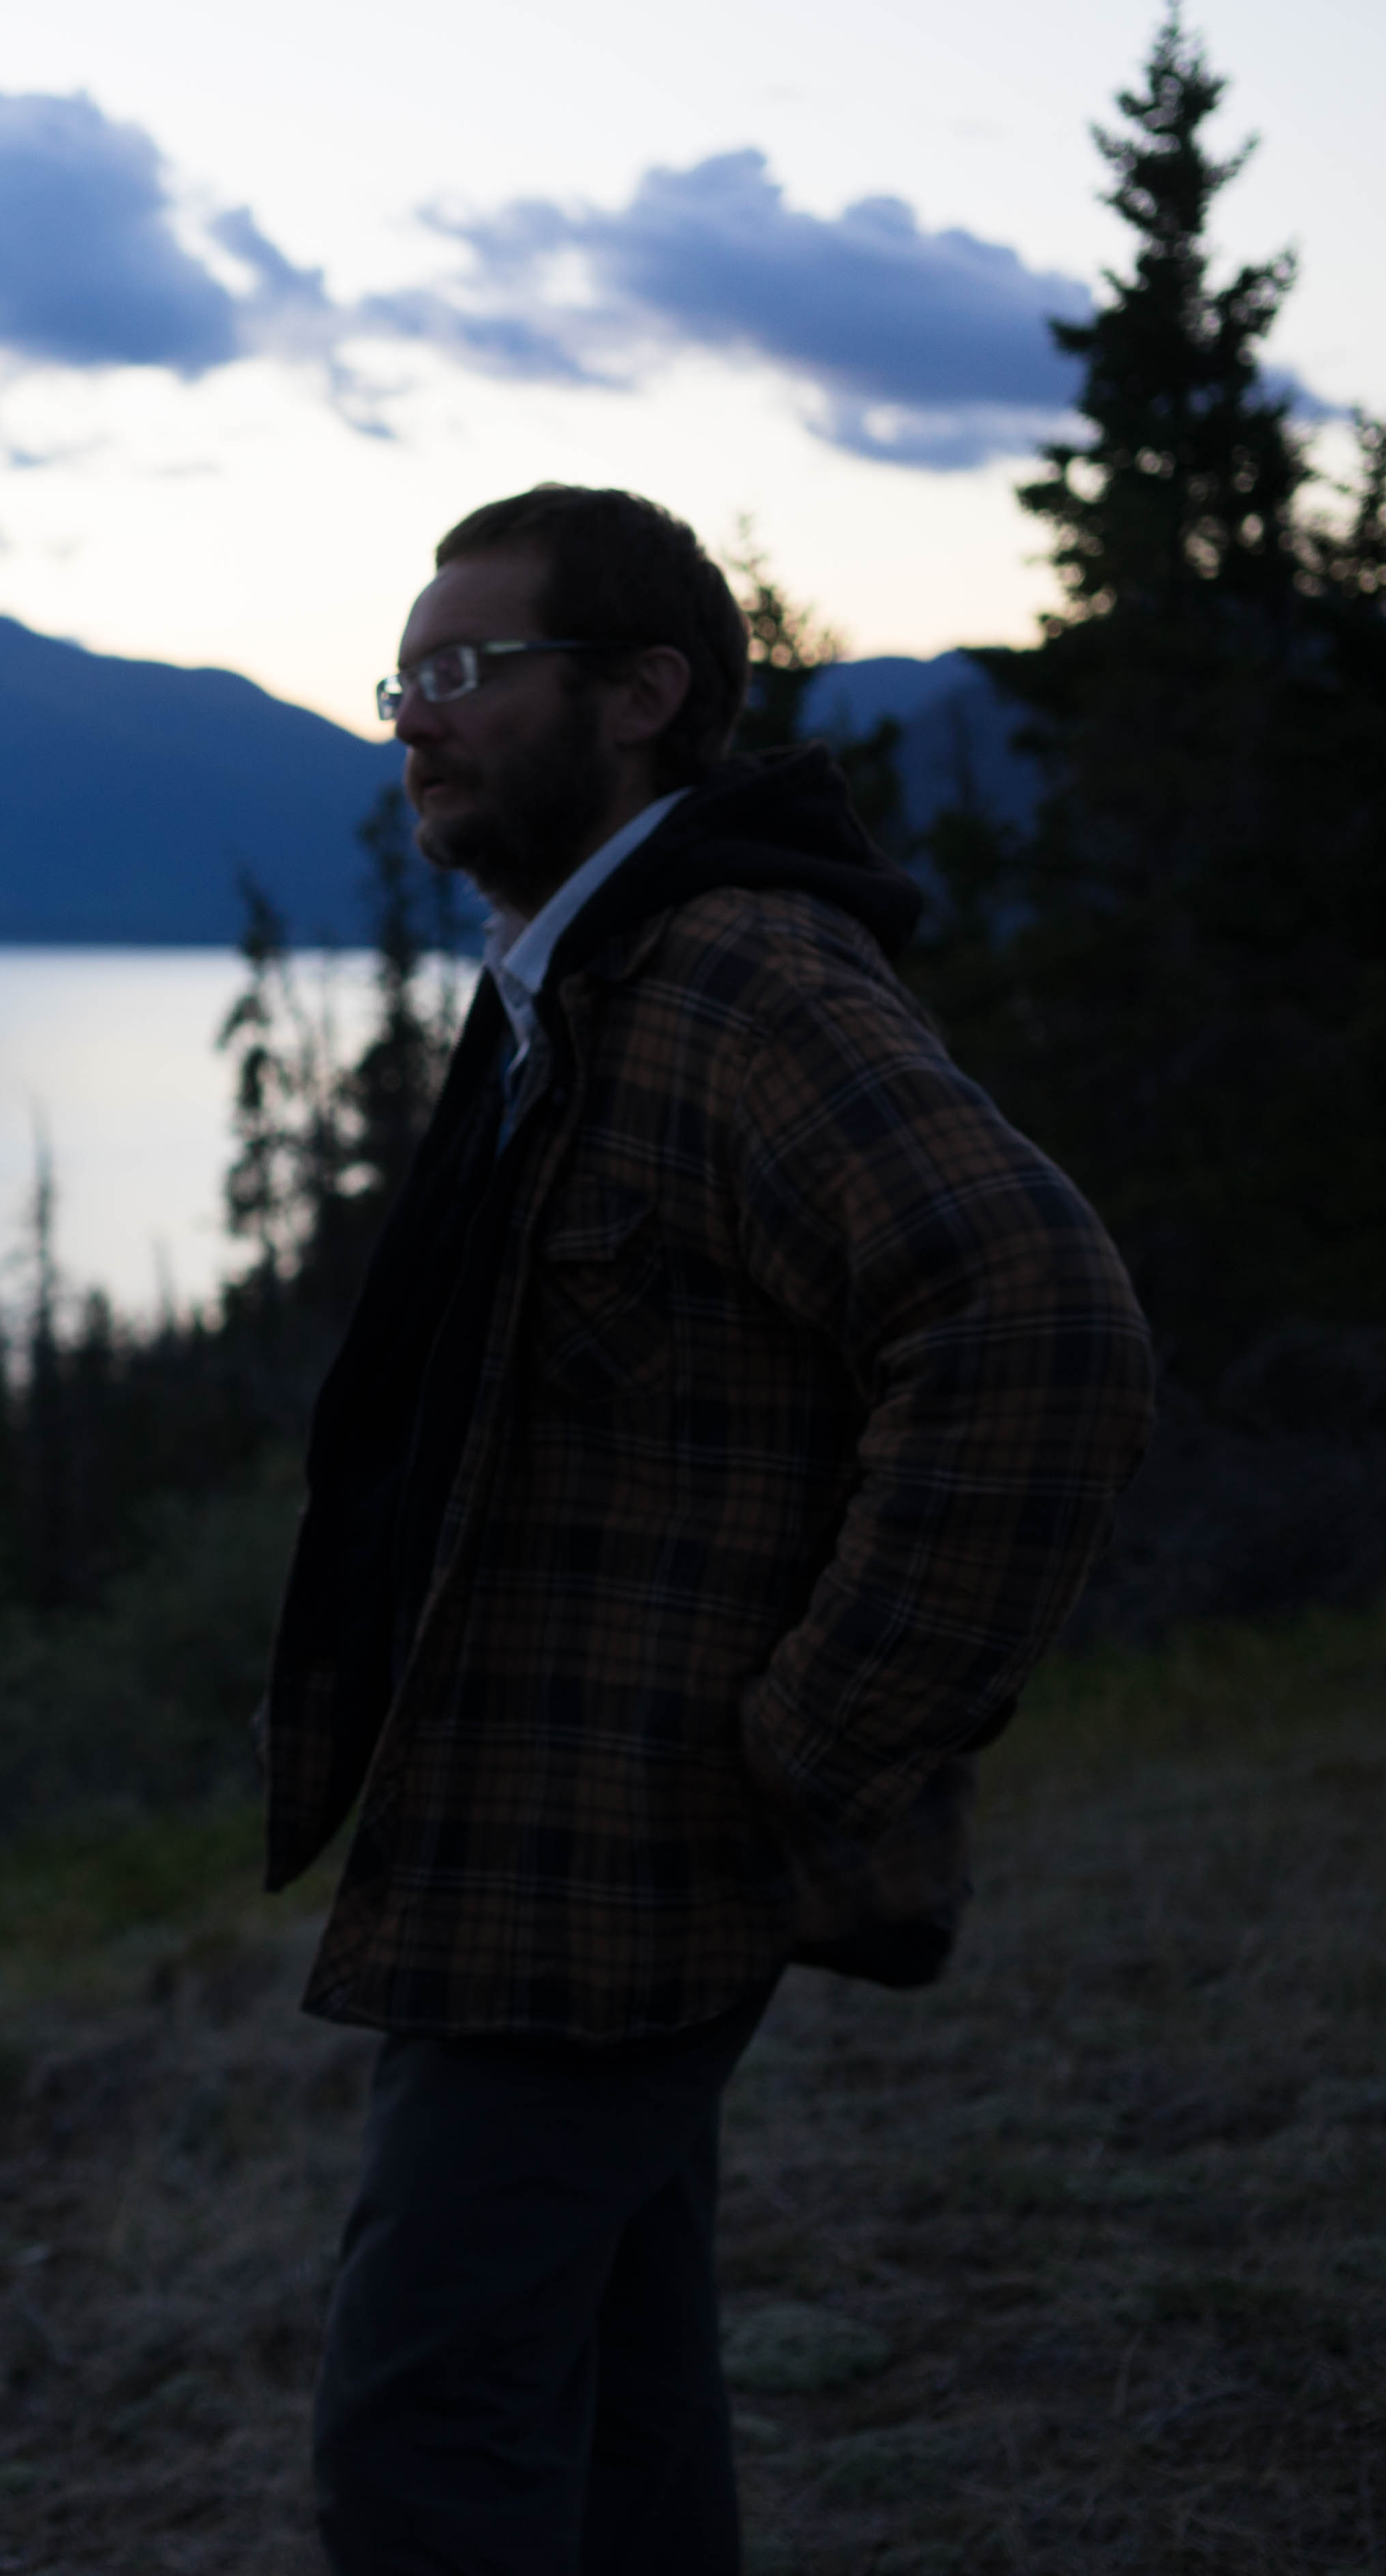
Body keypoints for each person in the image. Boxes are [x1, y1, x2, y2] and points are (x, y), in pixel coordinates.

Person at [266, 487, 1155, 2572]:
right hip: (538, 1841)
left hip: (619, 1853)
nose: (416, 721)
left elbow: (1036, 1319)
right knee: (619, 2406)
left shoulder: (736, 978)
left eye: (466, 672)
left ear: (646, 691)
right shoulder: (592, 980)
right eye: (402, 681)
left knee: (427, 2431)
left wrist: (828, 1728)